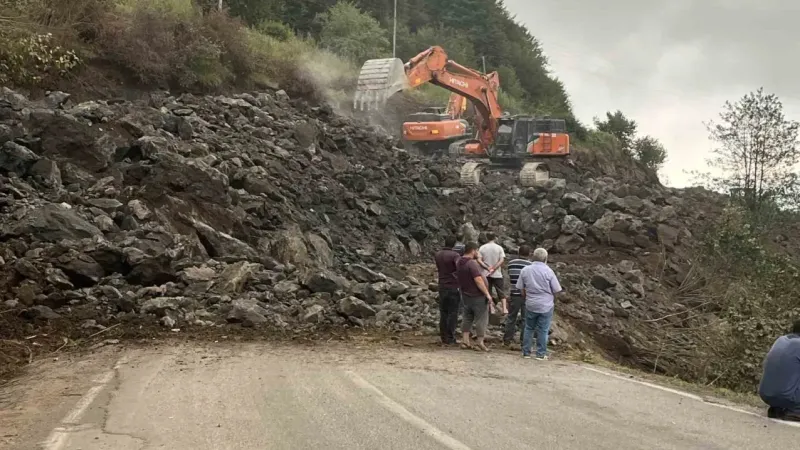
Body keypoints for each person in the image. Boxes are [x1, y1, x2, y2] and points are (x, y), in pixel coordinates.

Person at [515, 247, 562, 360]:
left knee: (529, 327)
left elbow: (521, 288)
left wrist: (527, 297)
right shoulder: (548, 271)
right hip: (546, 304)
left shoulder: (525, 270)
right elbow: (556, 289)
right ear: (545, 258)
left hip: (530, 303)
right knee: (543, 329)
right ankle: (540, 353)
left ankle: (526, 352)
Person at [456, 242, 495, 352]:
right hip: (477, 295)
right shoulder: (471, 264)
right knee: (481, 319)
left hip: (465, 294)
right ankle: (480, 343)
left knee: (467, 317)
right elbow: (478, 280)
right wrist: (487, 294)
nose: (477, 253)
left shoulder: (459, 262)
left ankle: (465, 341)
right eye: (477, 251)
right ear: (473, 250)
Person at [758, 320, 800, 421]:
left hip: (766, 395)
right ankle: (795, 411)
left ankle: (779, 409)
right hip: (786, 397)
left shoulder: (781, 340)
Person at [503, 245, 533, 348]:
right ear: (529, 254)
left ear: (518, 252)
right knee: (525, 319)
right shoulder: (530, 265)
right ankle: (523, 341)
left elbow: (510, 277)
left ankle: (507, 340)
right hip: (526, 295)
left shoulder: (511, 263)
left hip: (514, 293)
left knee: (511, 317)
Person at [434, 235, 461, 346]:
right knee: (453, 312)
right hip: (453, 286)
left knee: (443, 312)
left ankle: (443, 336)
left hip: (441, 285)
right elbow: (459, 269)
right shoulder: (455, 255)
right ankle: (450, 337)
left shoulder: (438, 254)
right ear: (454, 244)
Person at [478, 232, 508, 314]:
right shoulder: (499, 248)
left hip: (485, 274)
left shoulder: (482, 248)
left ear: (487, 238)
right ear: (495, 238)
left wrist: (487, 268)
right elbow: (501, 260)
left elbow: (479, 260)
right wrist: (494, 268)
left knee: (488, 291)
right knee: (501, 291)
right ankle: (504, 308)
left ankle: (491, 308)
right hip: (497, 274)